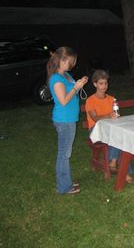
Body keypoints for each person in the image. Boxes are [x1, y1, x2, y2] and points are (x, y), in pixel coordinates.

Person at [47, 46, 88, 195]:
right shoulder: (56, 78)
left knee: (65, 153)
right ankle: (64, 187)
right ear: (62, 60)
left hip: (69, 119)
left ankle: (66, 182)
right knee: (64, 154)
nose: (72, 64)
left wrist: (79, 83)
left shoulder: (65, 75)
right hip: (64, 120)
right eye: (70, 61)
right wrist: (76, 88)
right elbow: (63, 101)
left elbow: (72, 88)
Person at [85, 70, 134, 184]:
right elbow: (95, 119)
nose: (104, 86)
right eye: (101, 83)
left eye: (106, 83)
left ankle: (115, 163)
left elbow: (116, 116)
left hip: (111, 129)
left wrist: (115, 116)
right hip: (96, 130)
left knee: (120, 137)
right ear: (95, 84)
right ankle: (123, 171)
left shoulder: (112, 99)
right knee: (117, 137)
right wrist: (108, 116)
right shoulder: (90, 100)